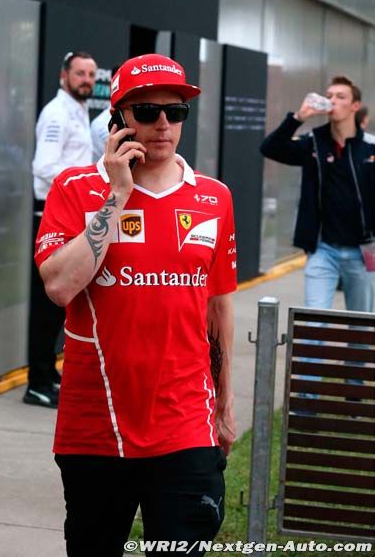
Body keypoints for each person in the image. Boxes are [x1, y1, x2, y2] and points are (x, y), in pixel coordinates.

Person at [34, 53, 237, 556]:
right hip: (95, 427)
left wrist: (225, 403)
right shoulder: (74, 189)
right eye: (147, 111)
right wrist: (117, 195)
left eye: (176, 111)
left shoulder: (214, 198)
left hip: (185, 422)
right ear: (119, 118)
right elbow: (59, 286)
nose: (163, 124)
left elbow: (218, 309)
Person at [261, 75, 375, 311]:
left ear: (354, 106)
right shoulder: (314, 142)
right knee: (313, 320)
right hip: (323, 250)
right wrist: (299, 117)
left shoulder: (370, 147)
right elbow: (270, 148)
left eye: (340, 97)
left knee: (362, 325)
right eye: (329, 95)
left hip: (364, 251)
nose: (332, 100)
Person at [24, 51, 97, 407]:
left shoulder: (78, 110)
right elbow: (44, 167)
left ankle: (48, 374)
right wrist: (80, 191)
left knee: (59, 306)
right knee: (46, 305)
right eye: (80, 73)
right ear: (63, 76)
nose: (87, 80)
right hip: (50, 217)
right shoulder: (56, 114)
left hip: (70, 217)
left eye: (91, 75)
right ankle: (37, 383)